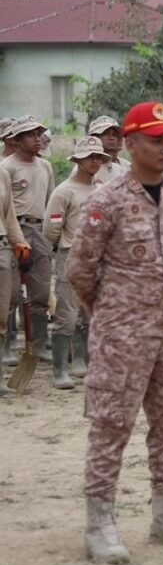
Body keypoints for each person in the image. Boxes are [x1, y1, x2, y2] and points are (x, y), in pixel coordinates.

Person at [68, 101, 163, 564]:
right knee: (111, 427)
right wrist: (111, 317)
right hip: (121, 338)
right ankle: (99, 523)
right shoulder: (107, 200)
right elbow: (80, 270)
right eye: (156, 139)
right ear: (131, 143)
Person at [43, 136, 111, 390]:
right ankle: (60, 370)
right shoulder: (64, 191)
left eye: (98, 157)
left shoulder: (102, 190)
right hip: (72, 255)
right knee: (67, 315)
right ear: (78, 160)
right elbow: (51, 229)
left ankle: (84, 362)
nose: (95, 161)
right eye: (89, 157)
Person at [2, 115, 55, 364]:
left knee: (41, 291)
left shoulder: (45, 167)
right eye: (31, 135)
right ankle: (7, 345)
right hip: (15, 229)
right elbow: (5, 208)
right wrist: (14, 238)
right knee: (11, 293)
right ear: (18, 139)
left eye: (38, 134)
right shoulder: (7, 167)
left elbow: (51, 201)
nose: (37, 139)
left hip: (40, 229)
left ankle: (39, 344)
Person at [0, 147, 30, 391]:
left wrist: (19, 241)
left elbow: (9, 215)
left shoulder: (2, 174)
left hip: (2, 247)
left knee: (3, 310)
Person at [83, 115, 130, 185]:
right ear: (94, 138)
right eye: (105, 134)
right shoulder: (86, 167)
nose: (112, 138)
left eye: (114, 134)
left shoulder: (127, 166)